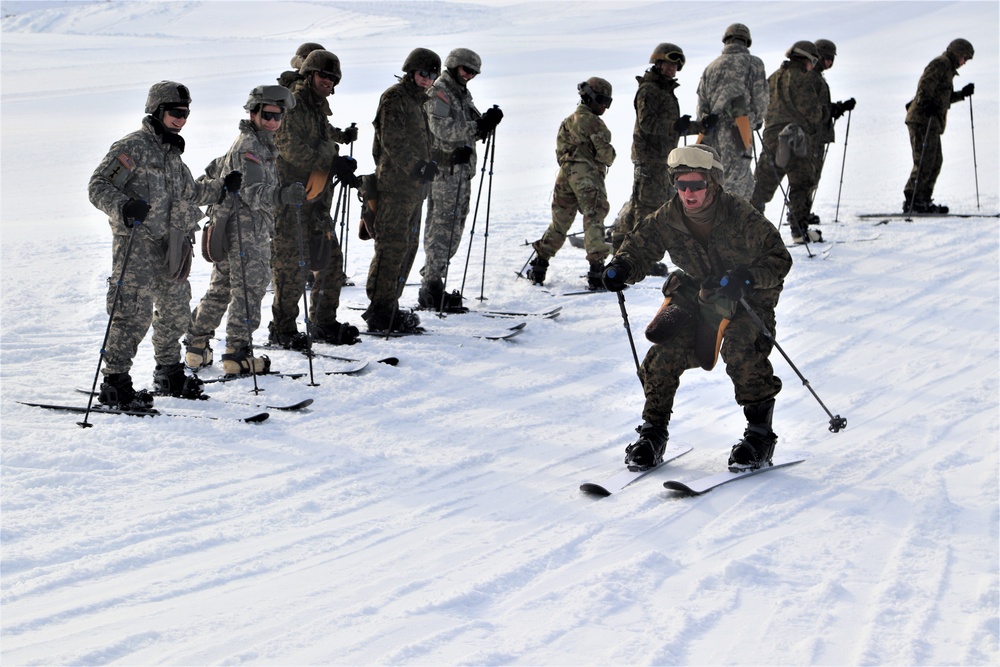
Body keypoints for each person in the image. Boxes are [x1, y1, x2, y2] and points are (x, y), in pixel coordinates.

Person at [602, 144, 792, 472]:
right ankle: (652, 433)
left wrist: (747, 277)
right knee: (664, 348)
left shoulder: (739, 213)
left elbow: (778, 258)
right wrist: (620, 267)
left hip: (748, 298)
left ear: (712, 183)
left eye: (697, 185)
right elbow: (638, 247)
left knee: (740, 346)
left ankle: (760, 435)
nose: (689, 193)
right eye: (682, 185)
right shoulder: (667, 217)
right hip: (701, 293)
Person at [88, 81, 235, 409]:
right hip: (136, 244)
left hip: (171, 246)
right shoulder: (133, 148)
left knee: (175, 309)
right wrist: (123, 206)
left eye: (186, 113)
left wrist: (223, 187)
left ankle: (169, 372)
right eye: (175, 112)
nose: (181, 119)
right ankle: (115, 382)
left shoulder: (173, 156)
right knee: (132, 312)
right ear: (157, 111)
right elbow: (98, 185)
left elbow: (192, 194)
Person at [185, 85, 305, 376]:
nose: (273, 122)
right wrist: (281, 196)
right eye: (267, 115)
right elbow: (252, 191)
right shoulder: (250, 147)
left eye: (278, 116)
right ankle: (237, 354)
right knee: (248, 292)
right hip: (245, 233)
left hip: (233, 229)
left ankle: (196, 346)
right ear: (253, 112)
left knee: (221, 290)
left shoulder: (257, 144)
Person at [269, 49, 361, 350]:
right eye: (324, 75)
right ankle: (282, 329)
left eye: (334, 79)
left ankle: (323, 322)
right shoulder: (292, 104)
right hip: (291, 200)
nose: (328, 82)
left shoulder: (317, 107)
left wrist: (337, 152)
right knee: (290, 267)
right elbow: (289, 147)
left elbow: (320, 140)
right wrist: (330, 162)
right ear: (309, 74)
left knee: (331, 260)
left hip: (317, 199)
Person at [418, 47, 503, 312]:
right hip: (446, 172)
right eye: (466, 70)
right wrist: (477, 127)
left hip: (462, 172)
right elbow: (441, 128)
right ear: (454, 66)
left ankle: (436, 283)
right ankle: (430, 287)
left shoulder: (459, 92)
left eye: (474, 73)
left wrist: (485, 122)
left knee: (454, 227)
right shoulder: (440, 91)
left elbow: (466, 127)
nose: (469, 76)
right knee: (441, 228)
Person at [364, 47, 442, 333]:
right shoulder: (395, 97)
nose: (427, 79)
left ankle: (390, 305)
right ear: (411, 71)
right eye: (423, 73)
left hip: (415, 190)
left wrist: (432, 163)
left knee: (408, 248)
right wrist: (416, 167)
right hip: (395, 188)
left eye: (432, 75)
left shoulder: (421, 102)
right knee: (391, 248)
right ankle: (380, 310)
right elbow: (392, 141)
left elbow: (423, 142)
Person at [527, 77, 616, 289]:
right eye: (603, 100)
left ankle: (539, 266)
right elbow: (606, 155)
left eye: (608, 102)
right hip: (587, 177)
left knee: (560, 222)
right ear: (591, 97)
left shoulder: (567, 121)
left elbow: (559, 152)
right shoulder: (594, 122)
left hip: (565, 175)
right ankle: (597, 272)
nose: (604, 106)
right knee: (594, 216)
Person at [611, 43, 688, 276]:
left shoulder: (664, 90)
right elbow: (648, 124)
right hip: (650, 158)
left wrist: (698, 126)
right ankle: (638, 256)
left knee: (641, 204)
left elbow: (670, 128)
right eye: (669, 64)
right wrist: (675, 125)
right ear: (658, 63)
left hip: (661, 158)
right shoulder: (649, 90)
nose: (672, 69)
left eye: (676, 65)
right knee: (647, 207)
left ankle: (619, 244)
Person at [751, 41, 825, 243]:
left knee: (761, 186)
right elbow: (811, 111)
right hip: (794, 137)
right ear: (807, 59)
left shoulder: (773, 77)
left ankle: (746, 229)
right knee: (801, 183)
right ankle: (799, 231)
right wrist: (817, 120)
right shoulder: (803, 78)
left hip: (771, 137)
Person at [694, 23, 768, 200]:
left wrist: (706, 122)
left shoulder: (710, 68)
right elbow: (760, 97)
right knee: (738, 181)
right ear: (746, 41)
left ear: (726, 41)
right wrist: (756, 120)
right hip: (739, 130)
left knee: (714, 178)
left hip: (711, 133)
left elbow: (701, 105)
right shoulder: (753, 63)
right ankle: (733, 223)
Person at [903, 38, 975, 214]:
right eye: (964, 58)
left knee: (935, 160)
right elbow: (925, 85)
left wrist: (961, 94)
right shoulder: (940, 64)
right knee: (925, 159)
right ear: (957, 53)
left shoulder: (948, 69)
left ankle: (924, 199)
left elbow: (943, 99)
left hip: (931, 121)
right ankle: (913, 199)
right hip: (922, 118)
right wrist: (926, 103)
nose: (964, 62)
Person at [806, 39, 855, 227]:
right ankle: (799, 213)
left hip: (819, 134)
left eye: (831, 59)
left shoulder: (817, 77)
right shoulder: (811, 77)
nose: (829, 62)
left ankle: (804, 211)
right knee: (809, 175)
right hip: (813, 135)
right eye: (826, 58)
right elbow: (813, 109)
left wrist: (838, 107)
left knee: (813, 175)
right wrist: (833, 110)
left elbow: (821, 107)